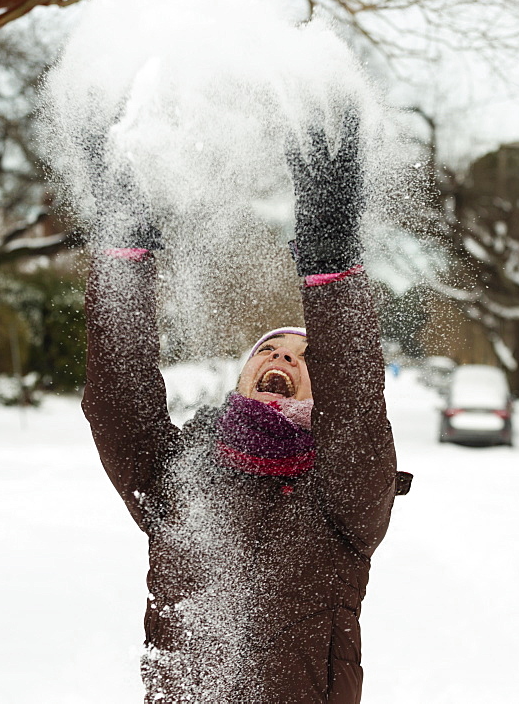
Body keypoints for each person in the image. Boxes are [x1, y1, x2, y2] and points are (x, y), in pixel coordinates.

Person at [81, 109, 410, 703]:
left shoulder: (343, 495)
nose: (285, 361)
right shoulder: (182, 475)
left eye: (306, 357)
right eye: (272, 351)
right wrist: (122, 254)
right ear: (242, 378)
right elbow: (118, 397)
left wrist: (329, 261)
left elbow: (357, 412)